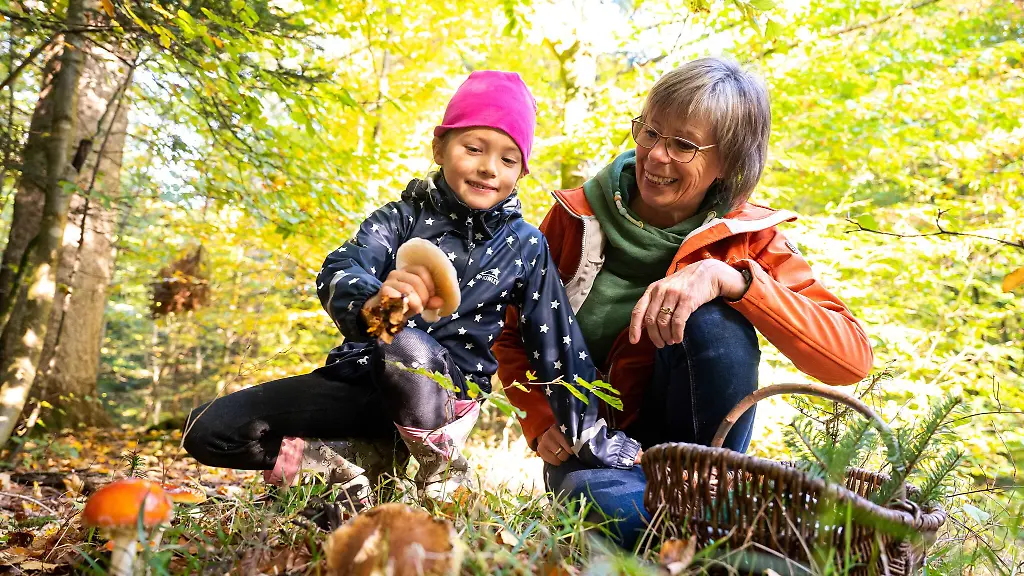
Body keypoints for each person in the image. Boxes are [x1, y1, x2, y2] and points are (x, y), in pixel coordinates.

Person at [492, 57, 874, 549]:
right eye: (649, 132)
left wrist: (732, 280)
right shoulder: (574, 217)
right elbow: (511, 330)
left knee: (715, 319)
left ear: (729, 163)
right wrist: (539, 417)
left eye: (683, 145)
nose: (655, 156)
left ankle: (706, 511)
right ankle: (722, 538)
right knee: (601, 508)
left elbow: (851, 359)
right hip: (600, 451)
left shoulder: (748, 239)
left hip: (700, 461)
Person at [182, 70, 602, 504]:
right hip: (359, 382)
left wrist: (586, 429)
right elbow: (340, 268)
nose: (488, 167)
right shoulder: (399, 219)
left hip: (440, 396)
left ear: (521, 172)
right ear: (440, 147)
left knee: (405, 347)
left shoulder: (524, 244)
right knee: (208, 429)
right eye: (473, 148)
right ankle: (352, 462)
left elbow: (557, 338)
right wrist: (382, 304)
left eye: (508, 159)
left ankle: (440, 472)